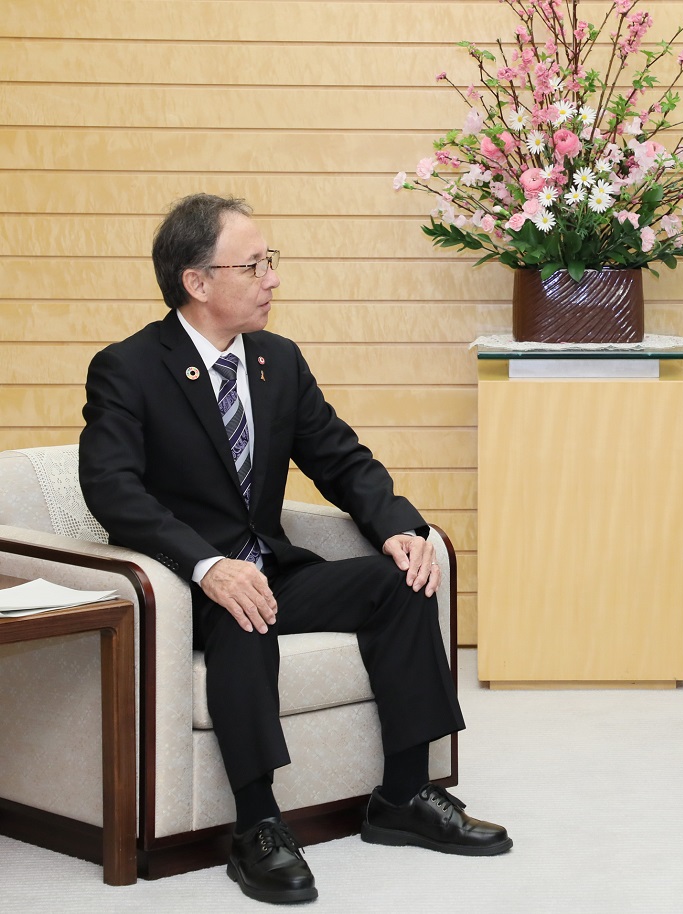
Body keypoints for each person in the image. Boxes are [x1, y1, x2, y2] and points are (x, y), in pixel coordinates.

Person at [79, 194, 512, 905]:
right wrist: (208, 565)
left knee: (401, 579)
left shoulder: (276, 360)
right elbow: (112, 488)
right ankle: (257, 826)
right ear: (197, 281)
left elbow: (342, 460)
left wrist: (400, 527)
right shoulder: (129, 368)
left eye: (269, 262)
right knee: (245, 609)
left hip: (273, 567)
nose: (272, 279)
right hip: (187, 581)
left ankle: (405, 795)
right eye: (253, 265)